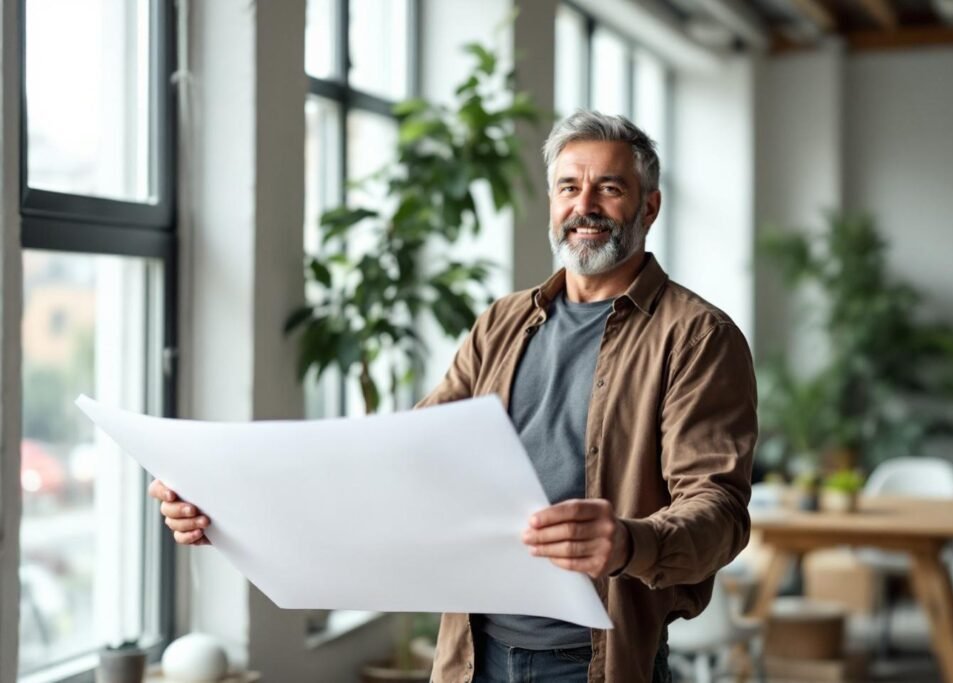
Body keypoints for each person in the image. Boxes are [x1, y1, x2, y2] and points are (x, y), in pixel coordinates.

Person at [150, 110, 757, 683]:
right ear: (551, 203)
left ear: (649, 206)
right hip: (471, 654)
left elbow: (720, 512)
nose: (585, 206)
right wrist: (231, 505)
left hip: (596, 661)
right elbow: (402, 457)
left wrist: (629, 541)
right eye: (569, 187)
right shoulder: (502, 323)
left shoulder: (698, 336)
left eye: (610, 189)